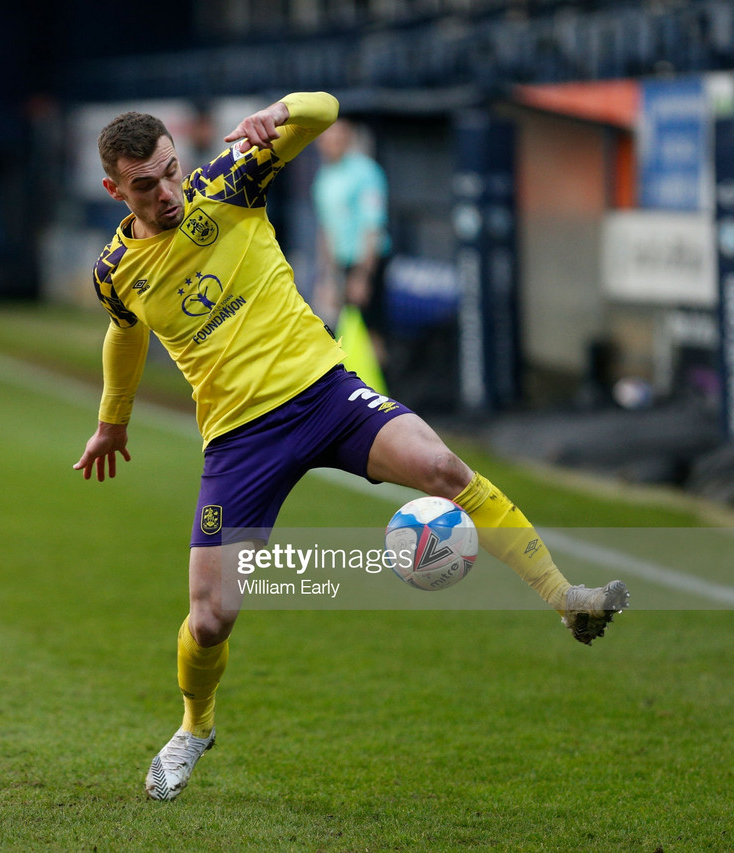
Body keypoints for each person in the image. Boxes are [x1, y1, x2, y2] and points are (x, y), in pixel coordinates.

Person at [72, 94, 628, 802]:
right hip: (240, 439)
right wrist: (112, 419)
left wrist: (275, 114)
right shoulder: (115, 269)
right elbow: (125, 331)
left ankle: (565, 597)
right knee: (211, 616)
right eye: (145, 185)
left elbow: (325, 110)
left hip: (326, 395)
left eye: (170, 172)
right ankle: (194, 727)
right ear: (114, 190)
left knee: (441, 467)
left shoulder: (227, 182)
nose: (167, 193)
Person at [312, 117, 392, 373]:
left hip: (367, 261)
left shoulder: (365, 172)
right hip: (341, 263)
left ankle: (387, 396)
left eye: (339, 138)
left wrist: (363, 275)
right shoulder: (323, 178)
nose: (332, 144)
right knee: (343, 331)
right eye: (328, 139)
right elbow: (326, 229)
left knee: (371, 331)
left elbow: (372, 227)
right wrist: (326, 275)